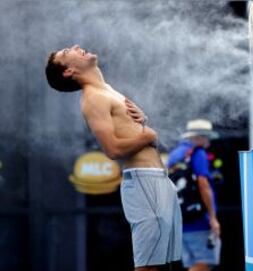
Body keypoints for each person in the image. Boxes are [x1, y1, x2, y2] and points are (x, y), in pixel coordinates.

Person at [45, 45, 182, 271]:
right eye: (67, 51)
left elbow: (131, 135)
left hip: (157, 180)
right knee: (148, 266)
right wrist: (149, 135)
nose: (77, 47)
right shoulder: (93, 98)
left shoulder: (107, 90)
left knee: (162, 264)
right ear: (69, 71)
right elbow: (113, 150)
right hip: (143, 182)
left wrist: (144, 125)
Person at [167, 119, 221, 271]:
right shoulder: (198, 153)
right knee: (203, 264)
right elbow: (203, 185)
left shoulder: (174, 155)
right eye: (207, 137)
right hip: (199, 221)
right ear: (200, 137)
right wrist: (212, 218)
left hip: (180, 221)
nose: (208, 141)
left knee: (193, 264)